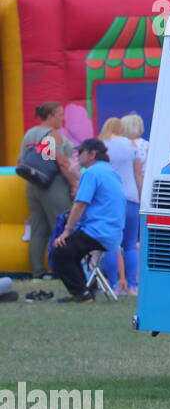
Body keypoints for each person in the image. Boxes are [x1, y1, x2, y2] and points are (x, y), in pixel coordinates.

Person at [47, 139, 125, 303]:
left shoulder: (92, 173)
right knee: (70, 251)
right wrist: (76, 171)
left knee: (59, 251)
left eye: (80, 151)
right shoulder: (108, 171)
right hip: (111, 232)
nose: (77, 154)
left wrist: (67, 231)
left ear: (92, 154)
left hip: (98, 232)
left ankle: (82, 294)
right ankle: (85, 290)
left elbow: (80, 204)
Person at [20, 102, 78, 280]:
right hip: (52, 185)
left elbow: (21, 159)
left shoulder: (29, 133)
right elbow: (60, 162)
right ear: (50, 116)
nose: (63, 118)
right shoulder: (52, 135)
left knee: (38, 229)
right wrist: (74, 183)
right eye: (60, 114)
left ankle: (38, 271)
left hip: (32, 185)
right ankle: (64, 270)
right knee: (62, 226)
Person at [100, 116, 144, 295]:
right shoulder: (132, 146)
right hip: (132, 197)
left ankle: (113, 285)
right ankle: (132, 286)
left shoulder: (102, 146)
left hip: (111, 200)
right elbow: (138, 174)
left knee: (112, 244)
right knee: (131, 244)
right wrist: (142, 199)